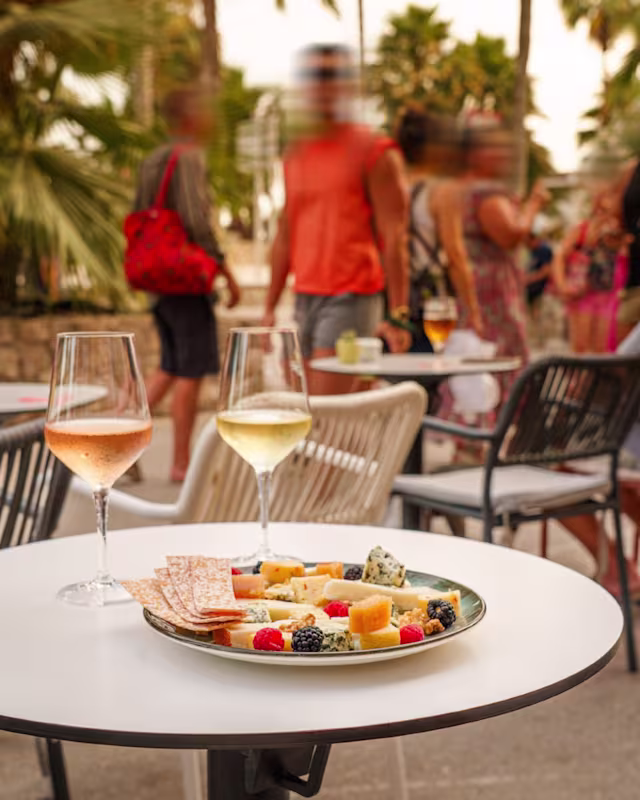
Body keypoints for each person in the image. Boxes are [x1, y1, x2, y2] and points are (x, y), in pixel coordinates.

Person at [263, 45, 410, 394]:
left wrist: (399, 314)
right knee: (306, 415)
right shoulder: (295, 152)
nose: (322, 85)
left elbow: (396, 236)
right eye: (314, 76)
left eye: (331, 76)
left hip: (351, 297)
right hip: (304, 299)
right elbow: (285, 234)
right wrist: (269, 306)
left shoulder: (374, 150)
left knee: (327, 418)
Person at [133, 88, 240, 482]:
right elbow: (197, 221)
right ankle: (182, 464)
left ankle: (119, 448)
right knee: (189, 371)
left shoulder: (150, 162)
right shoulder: (188, 157)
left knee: (169, 366)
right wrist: (226, 271)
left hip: (157, 281)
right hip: (185, 280)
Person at [459, 120, 549, 404]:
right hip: (492, 293)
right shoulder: (484, 191)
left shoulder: (465, 187)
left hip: (480, 287)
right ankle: (495, 426)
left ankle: (482, 426)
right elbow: (510, 234)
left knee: (484, 358)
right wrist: (533, 204)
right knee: (502, 358)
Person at [394, 106, 482, 350]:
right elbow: (455, 254)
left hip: (393, 304)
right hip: (431, 303)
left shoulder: (393, 186)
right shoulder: (441, 191)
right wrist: (472, 309)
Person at [552, 188, 624, 353]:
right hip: (583, 293)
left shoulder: (619, 230)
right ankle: (579, 379)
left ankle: (594, 379)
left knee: (601, 349)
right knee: (581, 347)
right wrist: (562, 285)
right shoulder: (583, 228)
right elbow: (561, 255)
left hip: (608, 294)